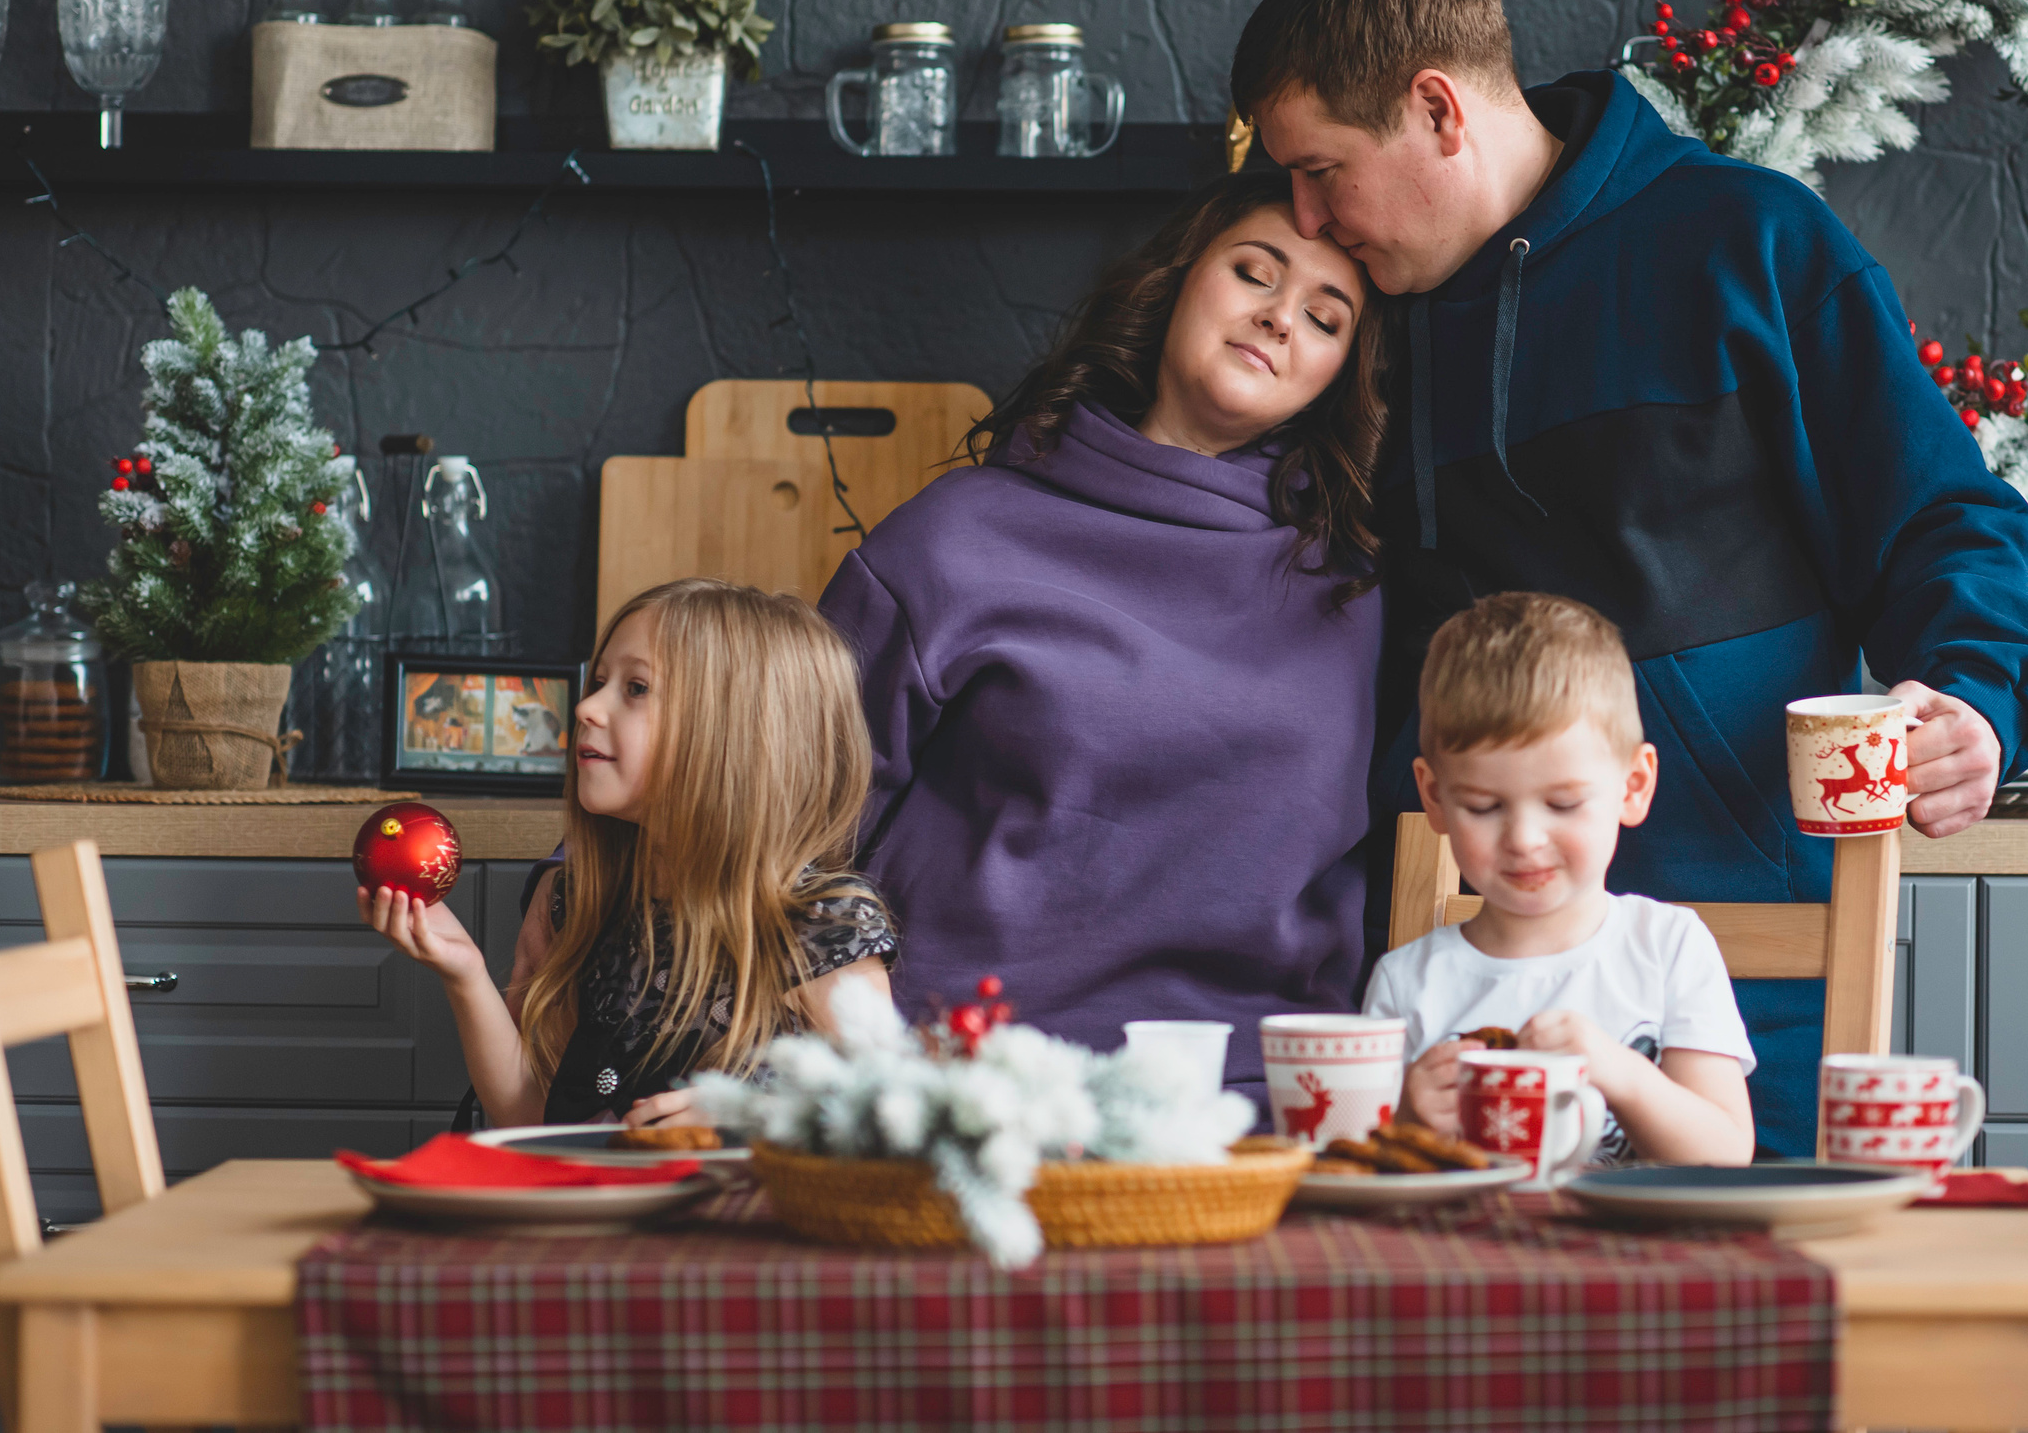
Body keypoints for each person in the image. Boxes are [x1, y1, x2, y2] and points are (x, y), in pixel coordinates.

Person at [1233, 0, 2028, 1154]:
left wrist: (1982, 702)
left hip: (1747, 975)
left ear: (1438, 110)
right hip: (1459, 980)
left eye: (1320, 167)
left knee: (1743, 1321)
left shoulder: (1749, 244)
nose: (1302, 214)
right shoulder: (1358, 325)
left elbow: (1943, 514)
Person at [819, 170, 1383, 1109]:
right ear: (1178, 279)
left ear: (1339, 377)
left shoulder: (1356, 591)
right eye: (1255, 272)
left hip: (1257, 1108)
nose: (1283, 318)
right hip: (970, 1093)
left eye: (1327, 319)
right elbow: (775, 797)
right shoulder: (958, 535)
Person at [360, 579, 898, 1127]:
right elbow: (531, 1122)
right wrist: (465, 973)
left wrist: (756, 1121)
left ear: (738, 731)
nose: (587, 706)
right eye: (599, 682)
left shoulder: (819, 923)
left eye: (636, 687)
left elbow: (893, 1125)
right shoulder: (584, 899)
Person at [1367, 592, 1754, 1167]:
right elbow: (1355, 1171)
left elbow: (1724, 1157)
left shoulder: (1668, 948)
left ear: (1633, 786)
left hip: (1636, 1252)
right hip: (1466, 1251)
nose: (1524, 838)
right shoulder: (1407, 983)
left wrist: (1622, 1073)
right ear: (1435, 798)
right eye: (1482, 806)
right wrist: (1405, 1117)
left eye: (1564, 803)